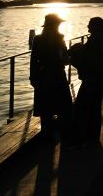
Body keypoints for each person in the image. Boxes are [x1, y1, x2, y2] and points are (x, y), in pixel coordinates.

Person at [30, 14, 72, 142]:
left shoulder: (37, 39)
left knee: (45, 110)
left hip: (43, 78)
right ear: (56, 25)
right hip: (58, 76)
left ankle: (47, 137)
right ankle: (64, 136)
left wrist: (33, 78)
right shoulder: (60, 39)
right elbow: (65, 59)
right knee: (63, 108)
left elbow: (33, 61)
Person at [69, 17, 103, 144]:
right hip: (98, 79)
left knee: (82, 108)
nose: (87, 27)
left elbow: (86, 60)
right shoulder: (101, 40)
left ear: (95, 27)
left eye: (90, 25)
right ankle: (93, 137)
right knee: (94, 108)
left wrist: (73, 54)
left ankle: (85, 137)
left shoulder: (94, 42)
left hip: (91, 79)